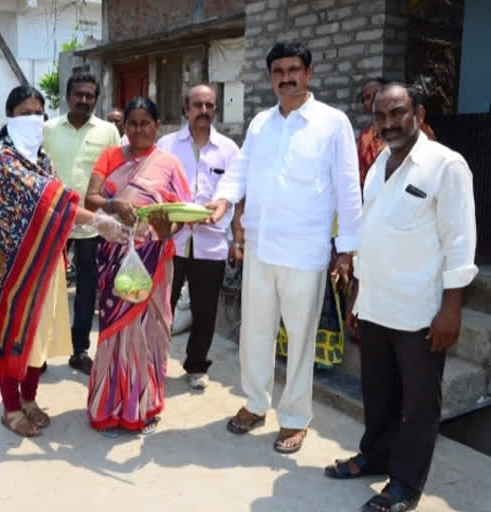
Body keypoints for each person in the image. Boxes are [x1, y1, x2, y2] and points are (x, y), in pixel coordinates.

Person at [324, 83, 478, 512]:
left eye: (398, 113)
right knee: (378, 393)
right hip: (376, 303)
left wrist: (452, 308)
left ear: (419, 113)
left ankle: (406, 484)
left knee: (418, 403)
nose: (389, 123)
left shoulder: (446, 166)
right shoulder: (378, 167)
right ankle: (375, 455)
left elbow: (461, 241)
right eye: (381, 116)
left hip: (421, 310)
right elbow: (371, 235)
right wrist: (358, 294)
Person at [209, 40, 362, 453]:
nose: (286, 77)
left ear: (309, 74)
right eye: (278, 71)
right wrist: (223, 201)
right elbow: (239, 172)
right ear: (271, 76)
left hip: (306, 249)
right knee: (254, 332)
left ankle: (294, 417)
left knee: (300, 337)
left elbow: (348, 187)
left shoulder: (333, 123)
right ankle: (255, 403)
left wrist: (347, 248)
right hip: (260, 245)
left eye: (294, 69)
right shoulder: (261, 123)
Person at [0, 85, 130, 437]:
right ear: (10, 116)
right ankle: (10, 408)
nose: (33, 119)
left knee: (38, 333)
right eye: (25, 113)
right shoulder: (0, 157)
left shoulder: (41, 158)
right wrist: (98, 220)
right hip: (7, 265)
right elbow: (49, 199)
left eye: (38, 113)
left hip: (43, 260)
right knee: (9, 333)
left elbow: (59, 198)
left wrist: (96, 221)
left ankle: (29, 399)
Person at [84, 96, 192, 435]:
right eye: (132, 123)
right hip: (115, 254)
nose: (139, 129)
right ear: (124, 126)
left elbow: (184, 214)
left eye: (146, 123)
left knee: (150, 333)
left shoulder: (170, 163)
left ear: (158, 126)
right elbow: (92, 198)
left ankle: (143, 405)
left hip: (154, 260)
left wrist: (165, 229)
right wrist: (114, 204)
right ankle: (109, 406)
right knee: (114, 330)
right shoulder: (110, 156)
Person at [157, 84, 241, 390]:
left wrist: (238, 240)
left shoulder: (229, 150)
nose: (204, 111)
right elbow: (156, 186)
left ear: (216, 110)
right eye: (197, 105)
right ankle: (155, 362)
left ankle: (196, 365)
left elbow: (237, 195)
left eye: (209, 105)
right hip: (173, 243)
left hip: (212, 242)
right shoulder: (167, 145)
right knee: (161, 308)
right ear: (186, 109)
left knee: (205, 312)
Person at [42, 73, 121, 375]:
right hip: (52, 223)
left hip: (91, 225)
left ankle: (79, 350)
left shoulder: (108, 131)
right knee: (48, 289)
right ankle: (42, 352)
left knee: (87, 289)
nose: (84, 100)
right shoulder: (48, 129)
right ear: (67, 96)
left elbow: (115, 172)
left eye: (90, 96)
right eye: (79, 94)